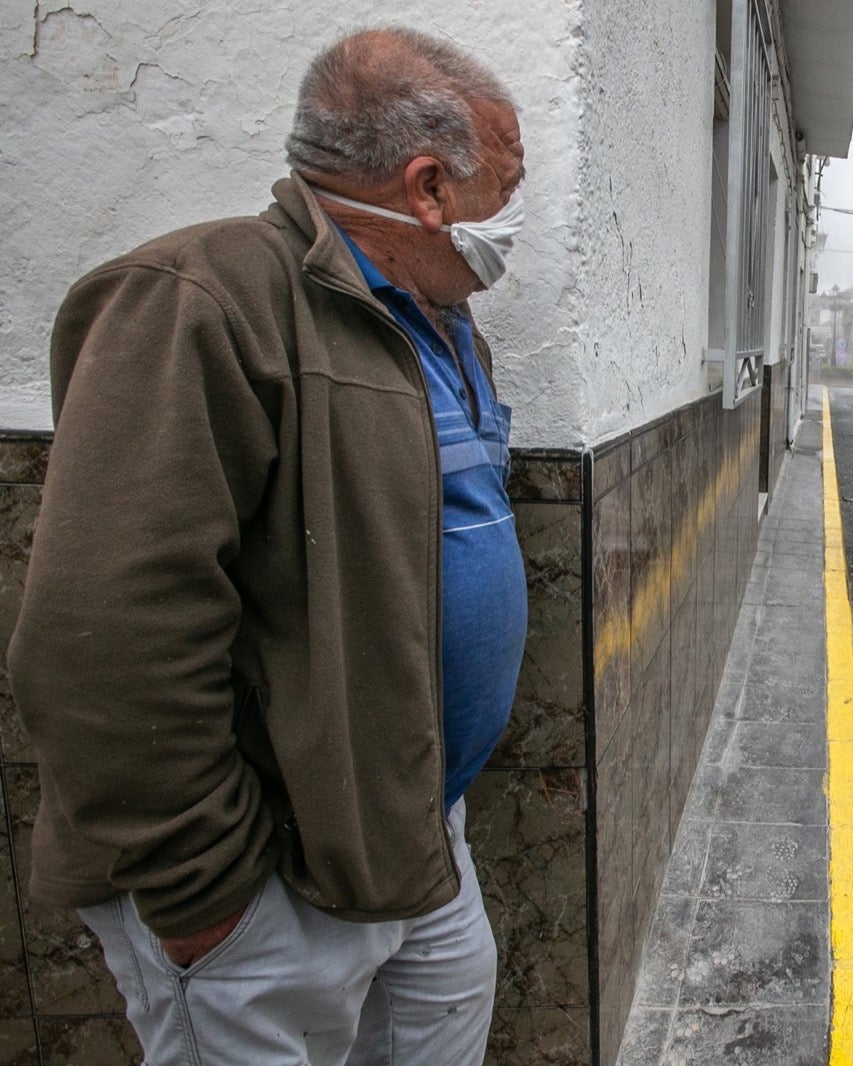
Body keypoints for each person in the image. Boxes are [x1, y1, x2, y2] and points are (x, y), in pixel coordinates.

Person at [7, 27, 529, 1065]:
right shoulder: (200, 298)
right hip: (271, 876)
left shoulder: (437, 322)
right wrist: (209, 896)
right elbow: (101, 637)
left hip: (411, 834)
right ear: (426, 187)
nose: (515, 219)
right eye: (506, 188)